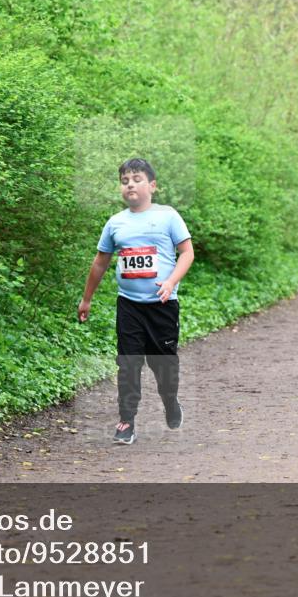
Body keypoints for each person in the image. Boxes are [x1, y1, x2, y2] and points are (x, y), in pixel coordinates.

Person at [78, 158, 194, 444]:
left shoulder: (168, 216)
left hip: (162, 305)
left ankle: (170, 402)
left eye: (137, 179)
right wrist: (86, 299)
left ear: (152, 186)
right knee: (128, 363)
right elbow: (100, 263)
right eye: (125, 180)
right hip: (128, 305)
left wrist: (170, 282)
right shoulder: (116, 223)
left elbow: (187, 253)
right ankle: (126, 422)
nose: (130, 184)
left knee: (163, 366)